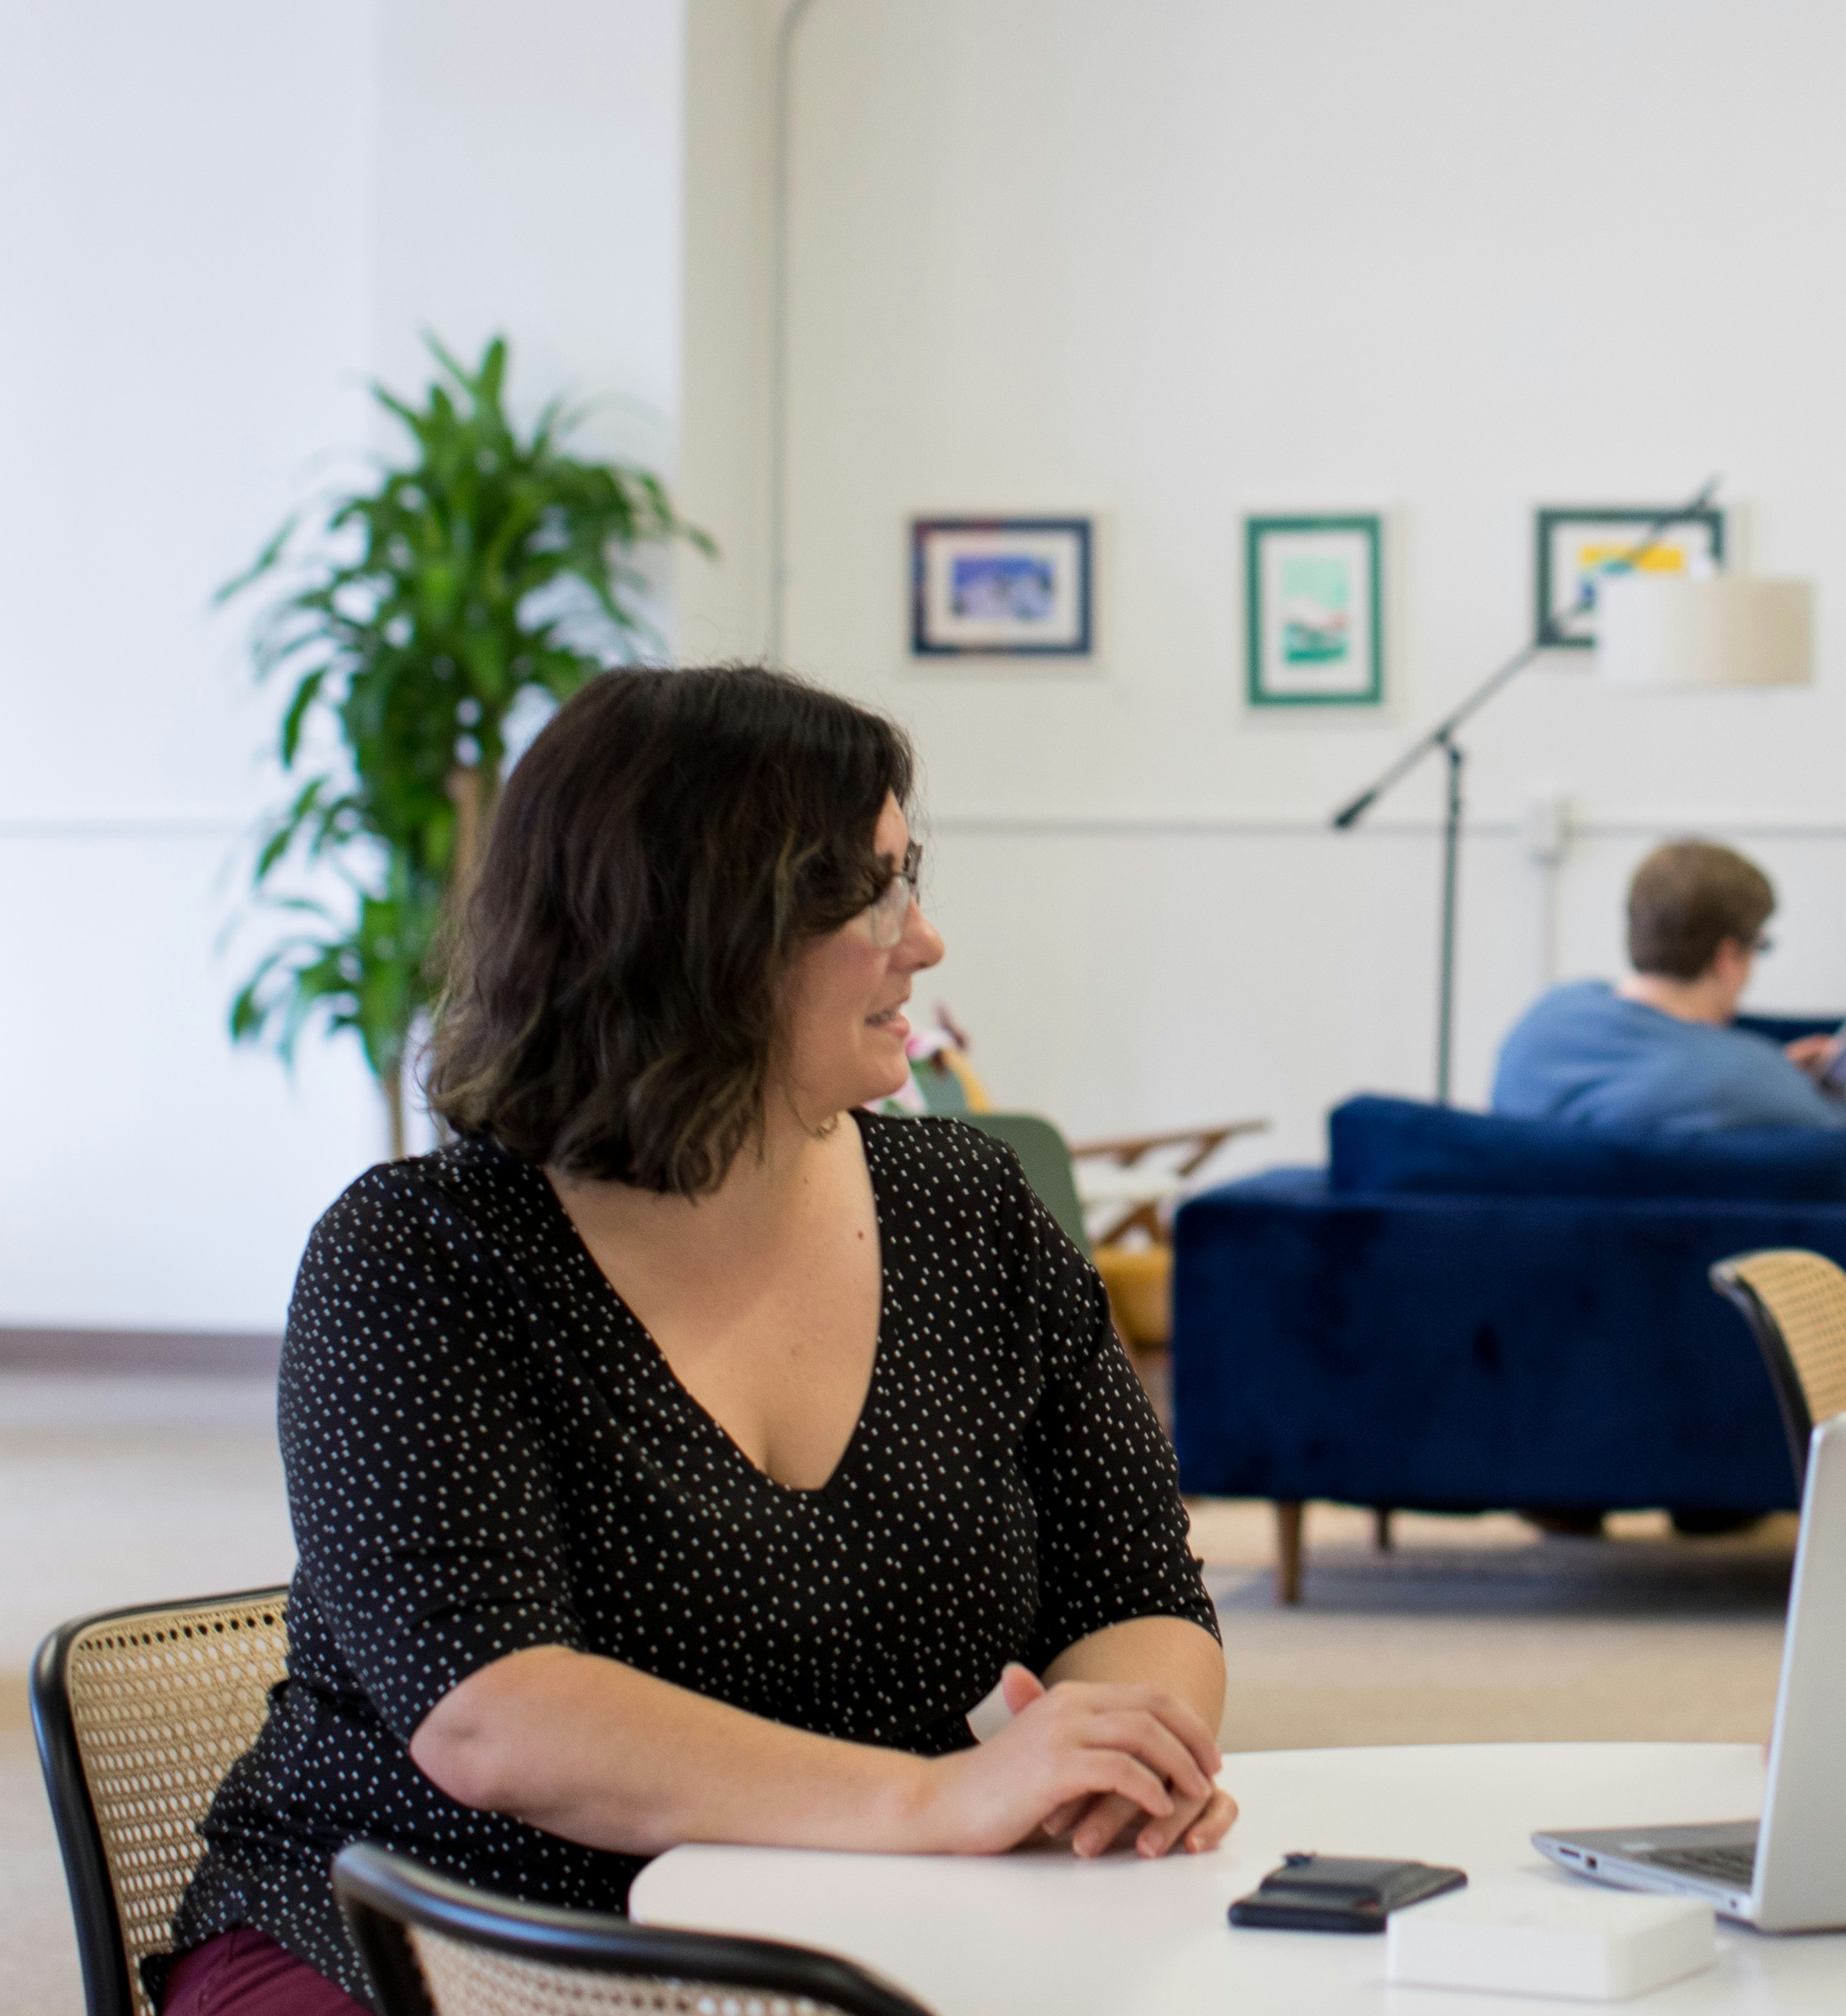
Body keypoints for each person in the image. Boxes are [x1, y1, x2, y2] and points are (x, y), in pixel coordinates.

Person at [156, 667, 1235, 2016]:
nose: (926, 939)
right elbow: (492, 1712)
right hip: (432, 1935)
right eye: (872, 892)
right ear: (700, 934)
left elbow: (1137, 1589)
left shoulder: (971, 1206)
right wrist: (938, 1797)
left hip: (862, 1921)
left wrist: (1111, 1754)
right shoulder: (420, 1251)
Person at [1488, 838, 1846, 1134]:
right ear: (1727, 957)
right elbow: (1833, 1142)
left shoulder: (1546, 1016)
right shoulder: (1748, 1078)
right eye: (1759, 946)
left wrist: (1779, 1073)